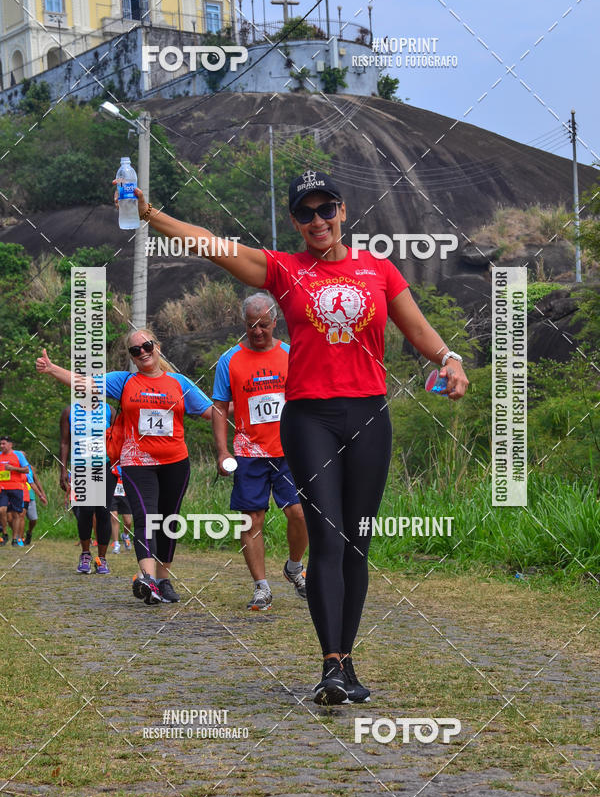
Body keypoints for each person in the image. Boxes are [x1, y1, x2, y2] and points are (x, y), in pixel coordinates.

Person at [128, 169, 469, 702]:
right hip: (310, 418)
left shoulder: (379, 269)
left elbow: (418, 328)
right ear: (294, 221)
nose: (318, 220)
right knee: (327, 536)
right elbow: (212, 245)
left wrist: (449, 358)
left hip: (368, 416)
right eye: (306, 213)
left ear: (342, 211)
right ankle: (330, 664)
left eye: (326, 209)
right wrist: (151, 215)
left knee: (357, 542)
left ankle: (347, 663)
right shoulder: (285, 269)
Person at [37, 328, 213, 604]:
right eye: (135, 350)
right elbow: (84, 383)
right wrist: (51, 369)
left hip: (175, 462)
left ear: (157, 346)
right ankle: (148, 580)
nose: (142, 352)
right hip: (136, 462)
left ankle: (164, 580)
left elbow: (213, 412)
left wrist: (243, 405)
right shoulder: (124, 381)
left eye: (146, 346)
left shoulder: (179, 383)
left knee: (168, 521)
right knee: (145, 517)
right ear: (131, 356)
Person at [212, 291, 309, 611]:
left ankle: (294, 567)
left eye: (263, 324)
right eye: (251, 324)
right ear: (244, 322)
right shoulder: (229, 360)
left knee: (299, 513)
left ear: (275, 321)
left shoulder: (291, 354)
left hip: (288, 451)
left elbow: (306, 400)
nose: (257, 331)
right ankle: (261, 587)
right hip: (248, 453)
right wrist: (222, 451)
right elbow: (219, 407)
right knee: (251, 520)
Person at [60, 402, 116, 573]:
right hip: (81, 466)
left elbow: (117, 439)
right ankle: (85, 554)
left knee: (103, 511)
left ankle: (102, 559)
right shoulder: (69, 411)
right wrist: (63, 470)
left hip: (105, 466)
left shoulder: (109, 410)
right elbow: (65, 442)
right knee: (85, 510)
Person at [0, 436, 29, 546]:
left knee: (16, 514)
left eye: (4, 444)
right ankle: (5, 533)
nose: (2, 446)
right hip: (3, 488)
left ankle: (15, 539)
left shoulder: (18, 455)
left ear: (10, 444)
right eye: (1, 444)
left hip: (16, 488)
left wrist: (13, 468)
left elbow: (26, 470)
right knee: (2, 510)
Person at [19, 458, 48, 545]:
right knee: (21, 517)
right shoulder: (15, 467)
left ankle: (29, 533)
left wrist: (42, 493)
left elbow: (36, 481)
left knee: (33, 519)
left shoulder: (30, 468)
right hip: (19, 496)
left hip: (30, 496)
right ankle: (20, 538)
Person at [110, 465, 133, 551]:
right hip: (112, 494)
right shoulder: (110, 463)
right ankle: (116, 544)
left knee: (128, 522)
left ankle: (125, 535)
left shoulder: (127, 463)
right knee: (114, 517)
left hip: (125, 494)